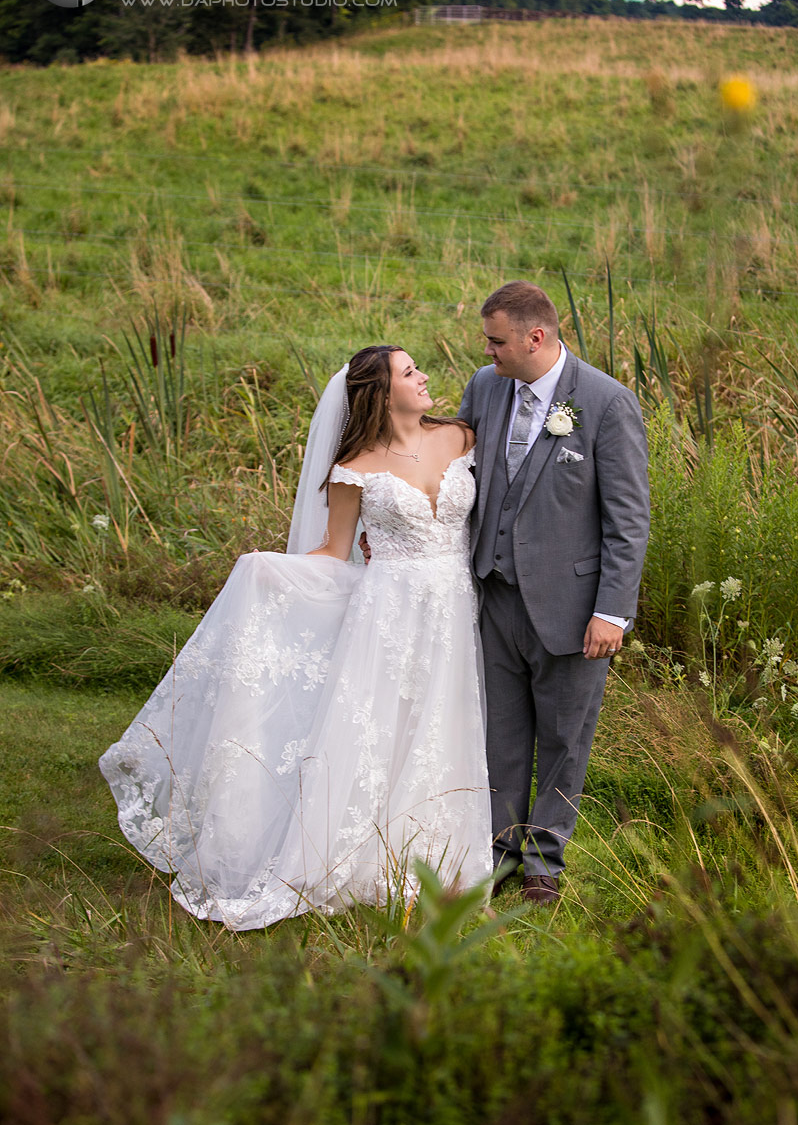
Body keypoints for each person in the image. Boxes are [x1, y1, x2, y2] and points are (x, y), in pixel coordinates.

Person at [100, 345, 492, 930]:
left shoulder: (461, 438)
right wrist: (265, 569)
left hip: (455, 611)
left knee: (442, 725)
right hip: (388, 614)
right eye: (410, 373)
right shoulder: (354, 467)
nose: (424, 376)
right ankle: (366, 859)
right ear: (382, 394)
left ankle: (442, 857)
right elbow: (334, 551)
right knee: (380, 732)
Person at [458, 281, 650, 906]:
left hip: (573, 608)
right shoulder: (486, 388)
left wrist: (612, 612)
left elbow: (628, 519)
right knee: (501, 732)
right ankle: (499, 848)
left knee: (566, 737)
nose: (487, 353)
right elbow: (452, 473)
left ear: (534, 338)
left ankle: (545, 859)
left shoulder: (604, 402)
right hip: (494, 595)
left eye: (496, 342)